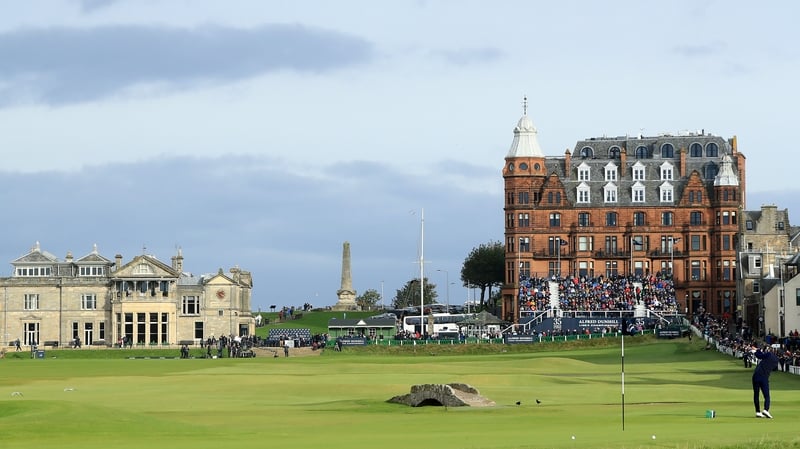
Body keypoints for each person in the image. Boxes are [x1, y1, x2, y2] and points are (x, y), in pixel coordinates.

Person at [751, 345, 779, 418]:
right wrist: (757, 350)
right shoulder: (776, 360)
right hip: (764, 377)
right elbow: (774, 369)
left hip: (756, 376)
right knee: (767, 396)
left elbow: (760, 356)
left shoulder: (769, 354)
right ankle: (766, 410)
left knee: (756, 394)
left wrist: (755, 351)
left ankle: (757, 411)